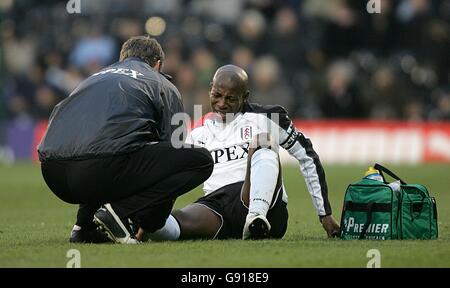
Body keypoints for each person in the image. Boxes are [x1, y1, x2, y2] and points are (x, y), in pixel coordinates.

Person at [38, 36, 214, 244]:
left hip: (52, 172)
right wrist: (151, 222)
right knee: (200, 160)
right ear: (157, 64)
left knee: (107, 148)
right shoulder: (161, 83)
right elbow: (173, 148)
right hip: (102, 167)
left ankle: (83, 227)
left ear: (122, 58)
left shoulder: (92, 78)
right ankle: (119, 214)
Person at [137, 64, 340, 241]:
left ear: (245, 97)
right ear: (210, 90)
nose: (222, 103)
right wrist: (153, 215)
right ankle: (134, 226)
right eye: (217, 95)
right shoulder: (197, 130)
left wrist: (325, 213)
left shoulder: (269, 117)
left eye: (230, 98)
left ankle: (255, 218)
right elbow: (175, 177)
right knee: (164, 224)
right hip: (217, 206)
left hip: (267, 208)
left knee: (263, 139)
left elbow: (306, 156)